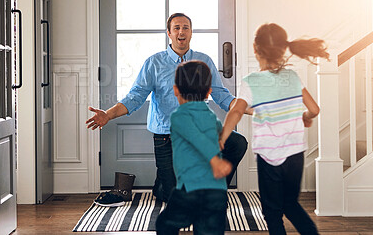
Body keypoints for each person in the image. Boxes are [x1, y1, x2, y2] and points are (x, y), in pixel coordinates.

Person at [86, 13, 248, 202]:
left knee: (237, 143)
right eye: (177, 28)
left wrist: (248, 107)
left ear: (191, 32)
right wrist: (108, 114)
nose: (181, 31)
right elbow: (135, 97)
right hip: (167, 136)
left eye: (186, 27)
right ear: (169, 34)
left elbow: (222, 96)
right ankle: (163, 184)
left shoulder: (204, 61)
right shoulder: (154, 63)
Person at [220, 23, 329, 235]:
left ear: (255, 49)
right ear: (283, 49)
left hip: (269, 157)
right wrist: (305, 117)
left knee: (272, 211)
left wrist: (224, 135)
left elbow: (236, 111)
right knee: (290, 204)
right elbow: (314, 109)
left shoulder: (252, 82)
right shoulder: (292, 77)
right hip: (295, 155)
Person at [156, 60, 232, 235]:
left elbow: (196, 138)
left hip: (191, 189)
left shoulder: (178, 116)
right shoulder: (211, 116)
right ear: (209, 92)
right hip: (217, 191)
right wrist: (221, 140)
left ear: (175, 90)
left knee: (164, 224)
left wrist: (215, 160)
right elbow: (218, 133)